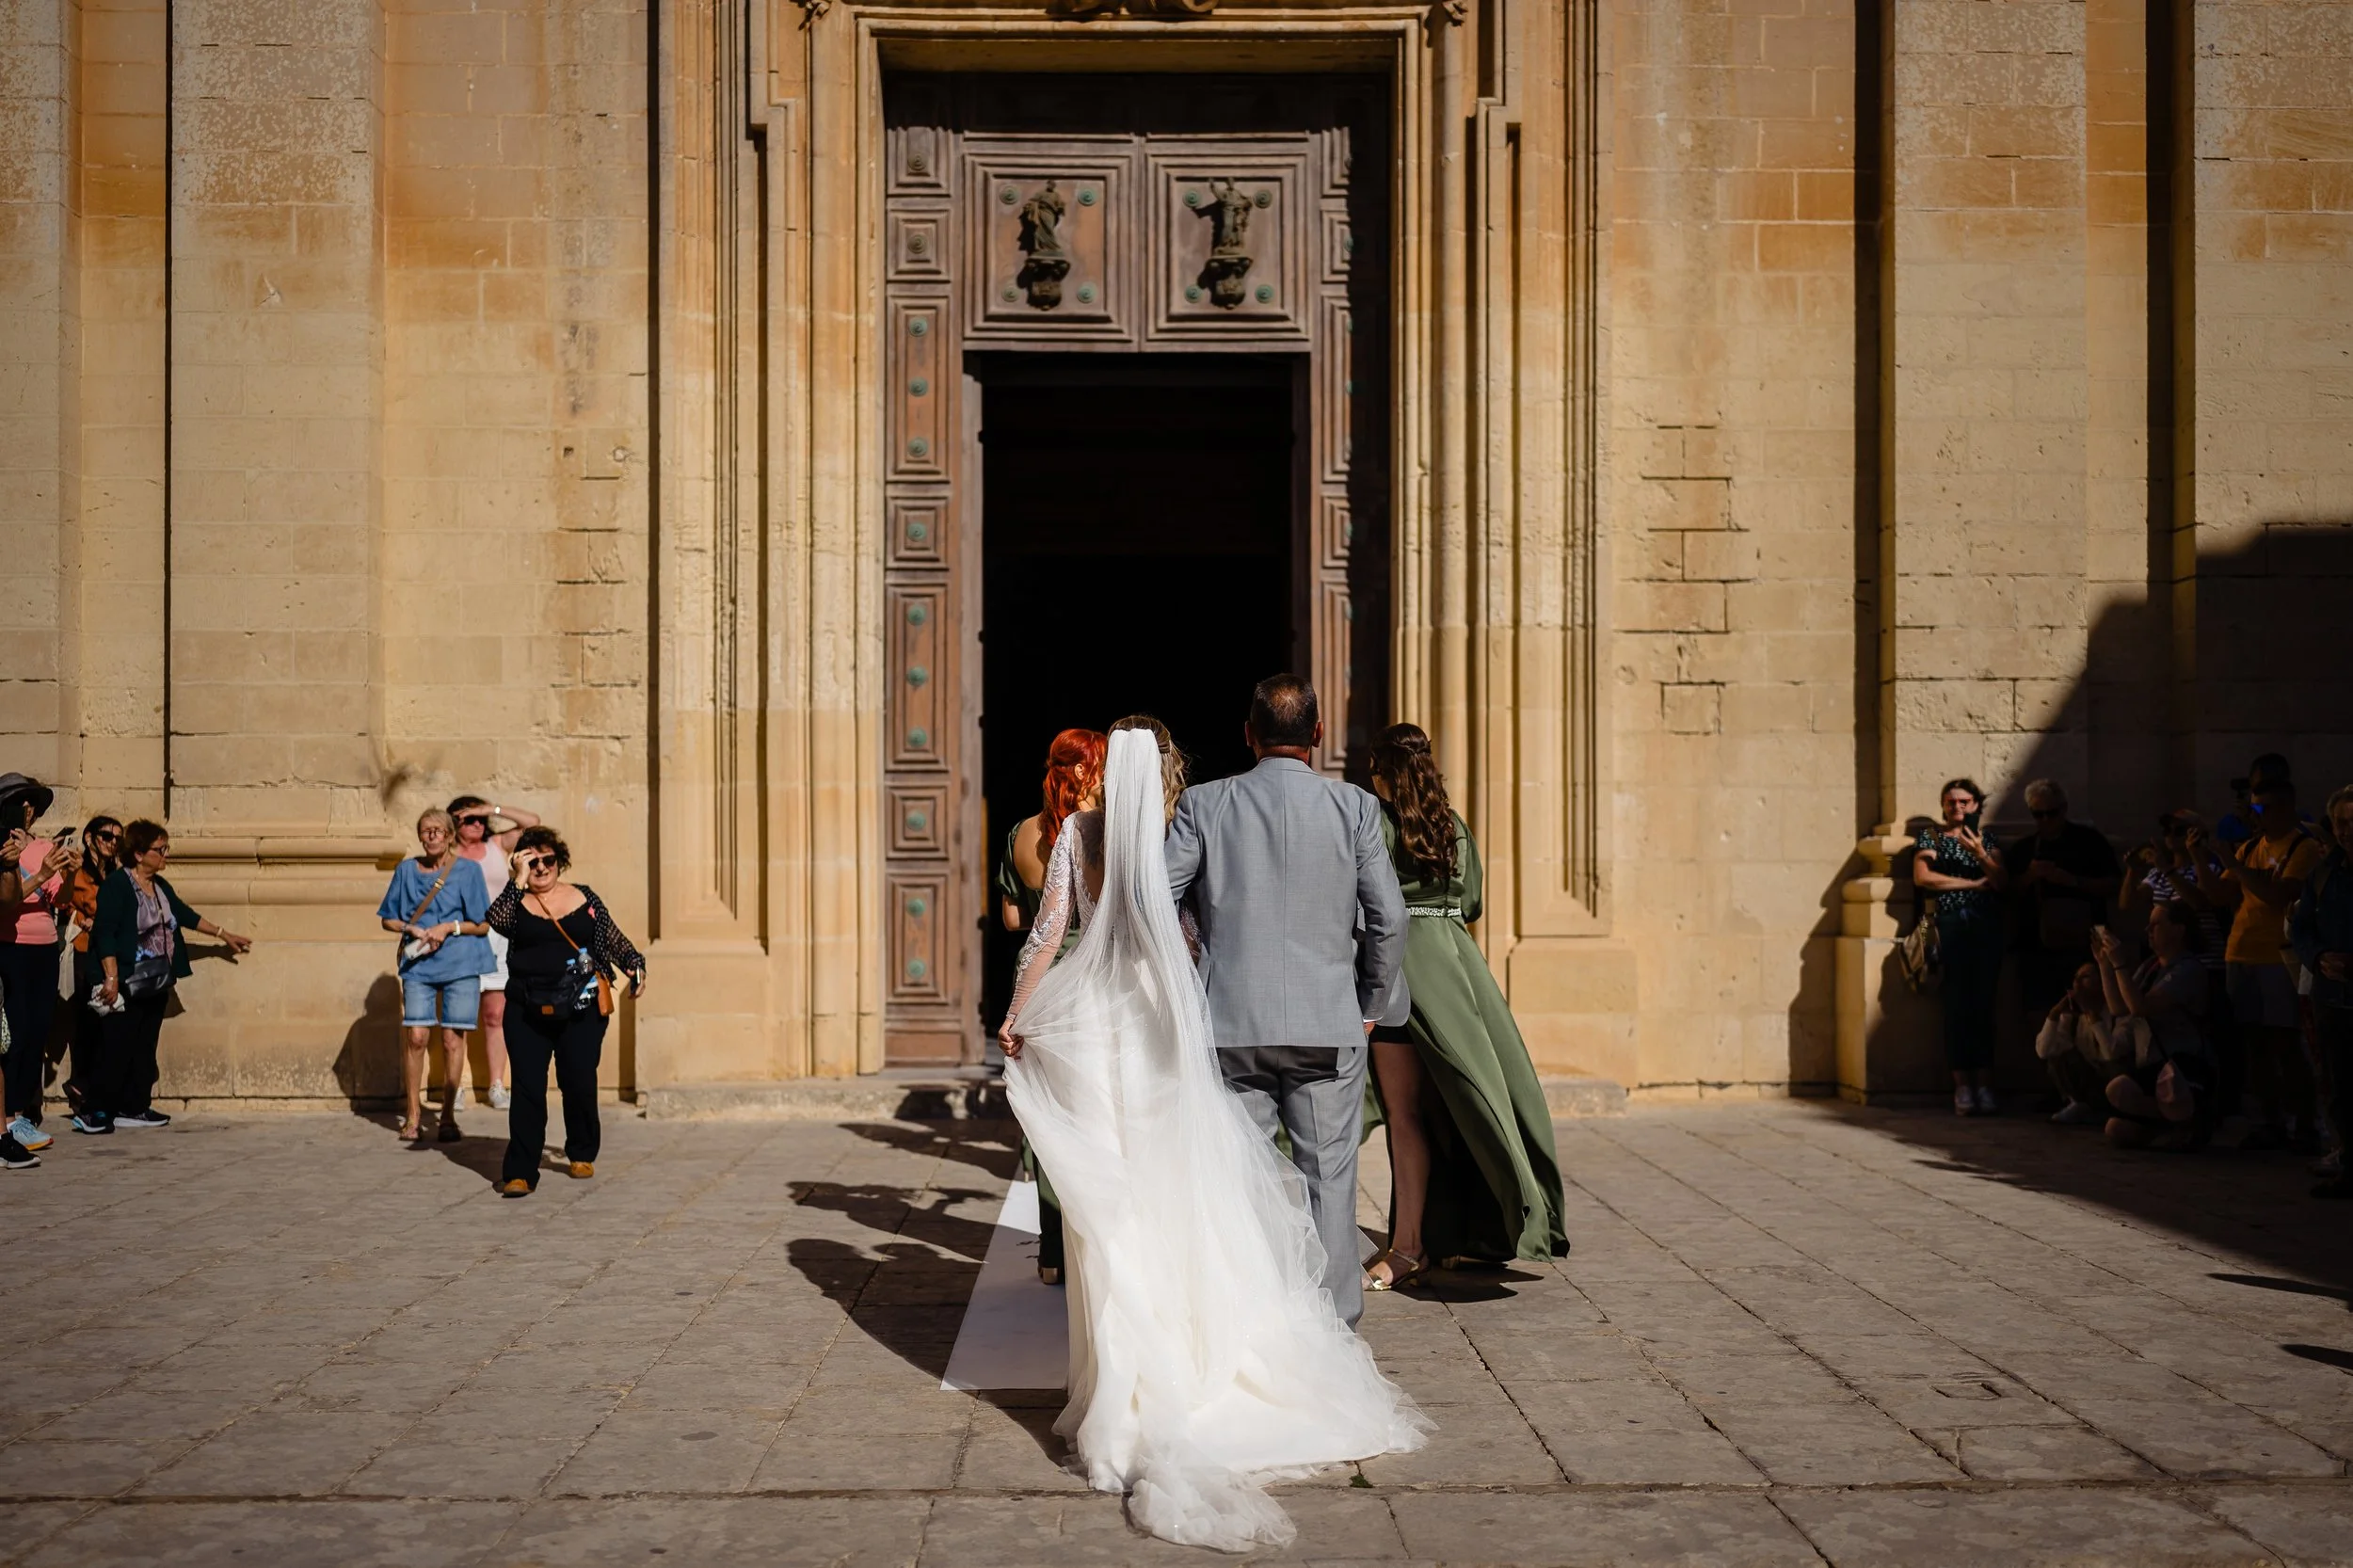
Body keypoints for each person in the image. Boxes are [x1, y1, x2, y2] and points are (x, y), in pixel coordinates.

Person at [999, 725, 1427, 1550]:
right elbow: (1187, 932)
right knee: (1184, 1188)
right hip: (1156, 1021)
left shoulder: (1077, 836)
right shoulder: (1173, 831)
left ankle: (1118, 1380)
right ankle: (1264, 1336)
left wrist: (1019, 1012)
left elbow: (1048, 932)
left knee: (1110, 1204)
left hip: (1093, 1021)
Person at [1167, 674, 1411, 1328]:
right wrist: (1369, 1001)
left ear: (1248, 735)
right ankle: (1334, 1327)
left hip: (1229, 1022)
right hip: (1327, 1021)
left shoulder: (1203, 804)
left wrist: (1193, 977)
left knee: (1237, 1178)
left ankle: (1245, 1321)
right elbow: (1389, 918)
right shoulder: (1354, 808)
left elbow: (1155, 898)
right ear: (1319, 733)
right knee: (1329, 1178)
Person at [1358, 722, 1566, 1289]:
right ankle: (1452, 1237)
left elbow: (1365, 899)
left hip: (1403, 970)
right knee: (1462, 1100)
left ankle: (1408, 1248)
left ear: (1381, 772)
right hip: (1461, 971)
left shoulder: (1377, 823)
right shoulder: (1451, 824)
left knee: (1405, 1113)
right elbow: (1471, 901)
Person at [995, 730, 1107, 1285]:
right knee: (1088, 1107)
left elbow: (1015, 920)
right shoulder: (1097, 831)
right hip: (1084, 974)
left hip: (1035, 979)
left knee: (1042, 1111)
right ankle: (1091, 1241)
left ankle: (1051, 1253)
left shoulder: (1021, 833)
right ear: (1087, 771)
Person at [486, 826, 646, 1195]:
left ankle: (581, 1152)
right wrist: (517, 879)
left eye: (548, 860)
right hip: (527, 1008)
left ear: (560, 861)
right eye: (532, 861)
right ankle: (521, 1172)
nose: (541, 867)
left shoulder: (584, 897)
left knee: (579, 1080)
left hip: (582, 1008)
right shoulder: (515, 902)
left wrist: (635, 965)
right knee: (527, 1087)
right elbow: (497, 921)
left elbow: (611, 937)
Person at [87, 821, 252, 1132]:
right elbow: (105, 933)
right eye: (160, 850)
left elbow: (183, 914)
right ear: (138, 854)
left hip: (154, 978)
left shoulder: (160, 886)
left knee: (144, 1046)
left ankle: (134, 1107)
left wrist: (222, 935)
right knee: (116, 1046)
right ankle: (97, 1110)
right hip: (124, 979)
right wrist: (111, 978)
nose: (166, 855)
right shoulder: (117, 886)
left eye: (166, 849)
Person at [2217, 776, 2327, 1151]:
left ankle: (2307, 1125)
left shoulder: (2303, 847)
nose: (2253, 815)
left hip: (2278, 956)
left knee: (2285, 1042)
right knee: (2254, 1043)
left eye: (2260, 808)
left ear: (2285, 808)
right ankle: (2269, 1122)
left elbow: (2280, 895)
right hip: (2241, 953)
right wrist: (2197, 858)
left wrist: (2234, 864)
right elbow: (2215, 895)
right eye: (2252, 808)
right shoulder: (2251, 848)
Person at [376, 808, 494, 1144]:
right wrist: (410, 928)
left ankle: (448, 1117)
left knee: (452, 1039)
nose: (431, 836)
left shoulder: (468, 871)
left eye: (438, 830)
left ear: (450, 836)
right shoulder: (405, 870)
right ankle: (413, 1115)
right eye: (426, 830)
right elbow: (387, 918)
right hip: (419, 964)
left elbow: (482, 924)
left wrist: (447, 927)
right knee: (416, 1036)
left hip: (460, 963)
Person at [2005, 779, 2121, 1108]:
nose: (2045, 820)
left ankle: (2094, 1088)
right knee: (2041, 1014)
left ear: (2064, 810)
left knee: (2089, 1013)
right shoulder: (2026, 848)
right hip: (2036, 945)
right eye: (2037, 814)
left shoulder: (2088, 842)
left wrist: (2071, 881)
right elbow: (2007, 891)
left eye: (2051, 813)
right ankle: (2057, 1087)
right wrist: (2031, 876)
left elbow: (2114, 884)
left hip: (2082, 944)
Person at [1913, 778, 2007, 1115]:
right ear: (1943, 805)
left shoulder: (1987, 840)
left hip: (1984, 928)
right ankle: (1962, 1087)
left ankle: (1985, 1085)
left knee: (1983, 1007)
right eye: (1951, 802)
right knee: (1955, 1007)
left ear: (1976, 805)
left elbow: (2001, 881)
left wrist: (1980, 853)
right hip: (1948, 925)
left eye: (1964, 801)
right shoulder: (1932, 837)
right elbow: (1923, 877)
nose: (1957, 807)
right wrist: (1970, 884)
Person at [2091, 901, 2212, 1150]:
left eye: (2156, 924)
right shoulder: (2151, 966)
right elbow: (2119, 1008)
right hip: (2154, 1067)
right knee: (2116, 1121)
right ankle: (2167, 1128)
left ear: (2178, 930)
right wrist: (2105, 965)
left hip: (2183, 1068)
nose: (2148, 930)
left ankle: (2189, 1122)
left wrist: (2120, 964)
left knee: (2127, 1099)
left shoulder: (2188, 969)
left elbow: (2140, 1007)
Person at [0, 774, 77, 1156]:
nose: (27, 809)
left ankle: (23, 1111)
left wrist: (70, 873)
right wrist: (43, 873)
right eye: (20, 802)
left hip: (45, 948)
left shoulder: (43, 846)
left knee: (37, 1030)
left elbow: (61, 900)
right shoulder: (3, 847)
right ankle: (9, 1115)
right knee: (14, 1032)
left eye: (31, 802)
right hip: (11, 947)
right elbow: (8, 900)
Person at [449, 795, 541, 1112]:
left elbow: (533, 823)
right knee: (459, 1016)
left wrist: (491, 809)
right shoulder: (449, 852)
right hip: (462, 938)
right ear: (454, 822)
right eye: (468, 818)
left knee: (495, 1014)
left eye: (480, 819)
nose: (477, 824)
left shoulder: (497, 845)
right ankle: (455, 1086)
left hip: (499, 938)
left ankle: (497, 1085)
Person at [2292, 785, 2353, 1198]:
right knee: (2338, 1087)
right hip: (2332, 997)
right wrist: (2318, 957)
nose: (2347, 830)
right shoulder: (2323, 873)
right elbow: (2301, 927)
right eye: (2341, 822)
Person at [60, 815, 124, 1116]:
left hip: (109, 954)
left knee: (105, 1024)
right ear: (90, 838)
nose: (113, 843)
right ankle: (81, 1087)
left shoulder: (114, 872)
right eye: (107, 836)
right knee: (87, 1022)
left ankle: (87, 1087)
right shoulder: (78, 871)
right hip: (84, 952)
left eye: (118, 839)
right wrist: (87, 917)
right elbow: (65, 901)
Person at [2037, 961, 2124, 1124]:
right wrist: (2054, 1015)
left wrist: (2092, 1014)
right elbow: (2044, 1051)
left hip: (2112, 1084)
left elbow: (2111, 1054)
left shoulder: (2117, 1012)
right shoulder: (2073, 1017)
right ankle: (2079, 1104)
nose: (2077, 982)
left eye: (2085, 977)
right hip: (2088, 1083)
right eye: (2076, 977)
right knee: (2057, 1057)